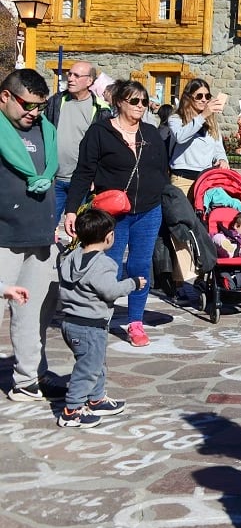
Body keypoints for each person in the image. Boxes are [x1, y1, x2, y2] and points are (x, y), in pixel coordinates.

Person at [66, 80, 170, 348]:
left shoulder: (150, 133)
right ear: (120, 102)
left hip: (148, 211)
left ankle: (135, 322)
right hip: (111, 214)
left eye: (144, 102)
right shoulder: (100, 132)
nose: (140, 107)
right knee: (107, 267)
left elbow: (161, 170)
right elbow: (83, 172)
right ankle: (100, 317)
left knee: (139, 265)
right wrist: (70, 211)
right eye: (135, 101)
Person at [0, 68, 65, 400]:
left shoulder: (47, 131)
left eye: (40, 106)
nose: (34, 113)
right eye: (28, 105)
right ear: (5, 97)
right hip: (2, 240)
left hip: (40, 238)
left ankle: (29, 378)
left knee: (34, 314)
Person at [55, 208, 142, 428]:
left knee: (95, 364)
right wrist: (133, 283)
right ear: (108, 237)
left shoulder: (71, 257)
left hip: (71, 323)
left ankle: (96, 399)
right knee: (87, 369)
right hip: (90, 326)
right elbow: (110, 291)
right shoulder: (104, 264)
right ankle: (71, 411)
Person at [45, 61, 103, 224]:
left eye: (76, 75)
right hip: (54, 178)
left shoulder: (100, 109)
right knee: (46, 227)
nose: (70, 78)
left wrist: (96, 177)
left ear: (89, 81)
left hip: (83, 182)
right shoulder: (55, 102)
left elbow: (103, 148)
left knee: (81, 232)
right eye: (69, 74)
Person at [167, 78, 229, 197]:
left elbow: (218, 148)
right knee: (183, 215)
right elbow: (180, 137)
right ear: (189, 97)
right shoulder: (176, 119)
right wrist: (203, 116)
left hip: (205, 179)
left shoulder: (212, 122)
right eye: (199, 96)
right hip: (182, 179)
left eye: (207, 96)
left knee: (202, 215)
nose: (204, 99)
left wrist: (222, 159)